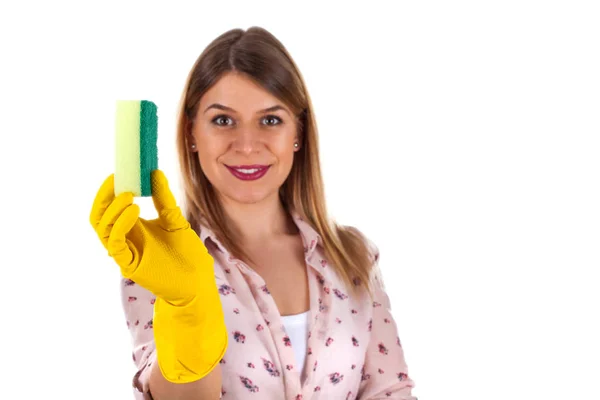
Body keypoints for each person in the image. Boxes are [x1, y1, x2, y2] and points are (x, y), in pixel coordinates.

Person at [90, 26, 417, 400]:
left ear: (298, 132)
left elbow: (390, 390)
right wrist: (188, 307)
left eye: (271, 120)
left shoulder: (354, 256)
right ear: (191, 132)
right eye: (223, 120)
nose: (247, 146)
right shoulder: (162, 261)